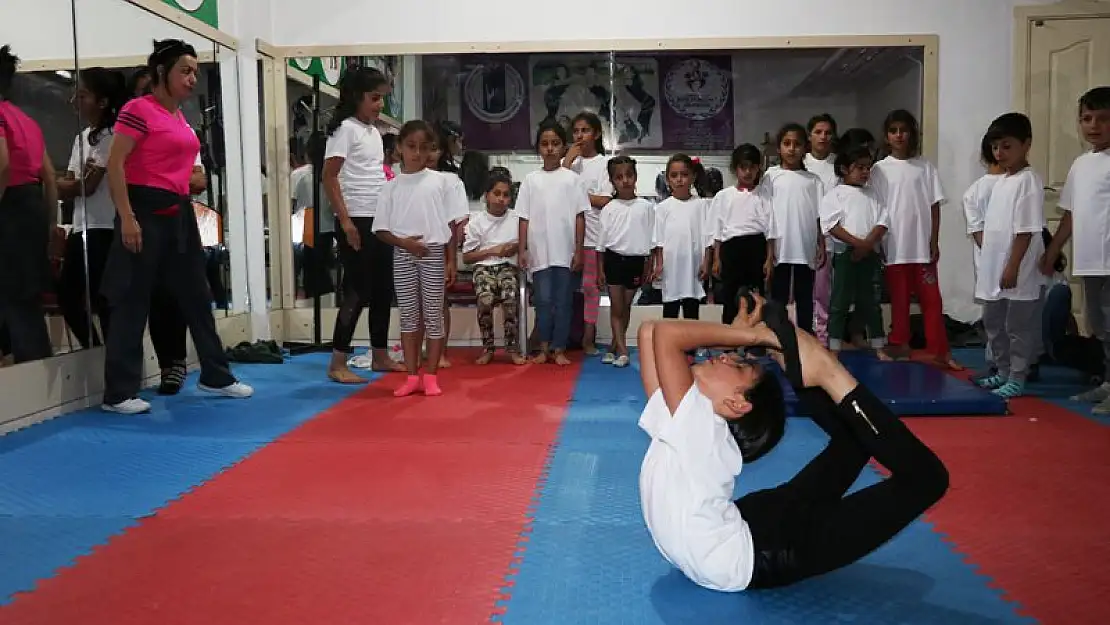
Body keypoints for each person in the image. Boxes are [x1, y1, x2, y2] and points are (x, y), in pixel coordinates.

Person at [637, 293, 949, 591]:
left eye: (739, 364)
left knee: (857, 443)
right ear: (736, 405)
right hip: (760, 552)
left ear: (737, 404)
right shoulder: (693, 423)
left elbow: (657, 332)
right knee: (928, 479)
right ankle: (824, 372)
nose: (726, 356)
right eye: (740, 362)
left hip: (746, 533)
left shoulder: (692, 423)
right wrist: (755, 337)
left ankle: (810, 367)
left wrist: (752, 336)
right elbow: (656, 332)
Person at [100, 39, 252, 414]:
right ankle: (118, 393)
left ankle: (215, 374)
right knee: (133, 302)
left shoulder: (180, 117)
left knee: (198, 297)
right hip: (144, 210)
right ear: (161, 74)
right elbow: (115, 165)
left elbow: (183, 166)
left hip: (178, 212)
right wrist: (128, 217)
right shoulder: (138, 110)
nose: (191, 77)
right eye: (185, 70)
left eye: (195, 71)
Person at [373, 120, 467, 397]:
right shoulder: (390, 186)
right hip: (403, 252)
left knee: (433, 315)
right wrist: (404, 243)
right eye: (411, 147)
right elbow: (380, 229)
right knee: (409, 317)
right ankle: (412, 375)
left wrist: (451, 260)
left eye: (423, 148)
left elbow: (451, 225)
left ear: (432, 151)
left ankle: (431, 374)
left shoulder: (442, 182)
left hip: (433, 252)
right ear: (399, 148)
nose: (417, 153)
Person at [323, 67, 404, 382]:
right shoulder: (345, 129)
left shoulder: (373, 132)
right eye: (374, 98)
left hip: (378, 218)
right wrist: (346, 222)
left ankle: (380, 355)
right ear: (357, 97)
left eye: (381, 98)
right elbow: (329, 176)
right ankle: (338, 361)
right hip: (356, 217)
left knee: (383, 288)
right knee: (357, 290)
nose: (379, 104)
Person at [869, 109, 961, 369]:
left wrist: (933, 241)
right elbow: (876, 209)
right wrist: (878, 242)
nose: (899, 135)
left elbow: (934, 206)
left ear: (912, 134)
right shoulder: (879, 170)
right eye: (893, 130)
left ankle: (940, 351)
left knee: (932, 300)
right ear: (887, 136)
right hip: (894, 247)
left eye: (904, 130)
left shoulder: (925, 167)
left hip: (921, 248)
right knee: (899, 301)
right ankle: (900, 345)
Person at [1041, 86, 1110, 413]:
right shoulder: (1082, 164)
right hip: (1091, 259)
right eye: (1087, 118)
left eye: (1104, 119)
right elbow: (1070, 213)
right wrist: (1053, 250)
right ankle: (1107, 381)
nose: (1094, 125)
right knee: (1098, 324)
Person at [56, 67, 129, 349]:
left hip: (105, 228)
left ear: (102, 102)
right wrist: (65, 183)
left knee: (105, 299)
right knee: (68, 297)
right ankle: (96, 350)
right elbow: (73, 184)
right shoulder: (81, 138)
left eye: (83, 94)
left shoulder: (113, 137)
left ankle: (115, 362)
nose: (75, 100)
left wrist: (54, 181)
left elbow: (83, 186)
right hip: (82, 227)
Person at [0, 45, 56, 363]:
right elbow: (48, 176)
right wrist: (49, 225)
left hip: (10, 207)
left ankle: (29, 365)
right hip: (33, 206)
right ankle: (32, 364)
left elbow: (3, 165)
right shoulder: (26, 120)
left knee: (14, 295)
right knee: (25, 295)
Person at [517, 120, 587, 366]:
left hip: (565, 250)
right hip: (539, 251)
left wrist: (579, 250)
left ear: (563, 147)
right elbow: (523, 218)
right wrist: (523, 248)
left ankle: (559, 348)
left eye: (555, 143)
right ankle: (543, 347)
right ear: (538, 148)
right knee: (544, 302)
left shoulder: (572, 179)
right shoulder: (530, 180)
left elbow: (580, 217)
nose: (550, 148)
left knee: (564, 301)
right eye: (545, 144)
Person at [820, 142, 890, 355]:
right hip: (845, 254)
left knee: (870, 302)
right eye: (859, 167)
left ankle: (879, 346)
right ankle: (834, 347)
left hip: (869, 254)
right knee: (840, 301)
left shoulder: (873, 195)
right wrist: (858, 244)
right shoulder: (835, 195)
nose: (865, 172)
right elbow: (832, 226)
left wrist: (868, 245)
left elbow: (883, 222)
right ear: (844, 169)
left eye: (868, 167)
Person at [761, 123, 827, 334]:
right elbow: (765, 214)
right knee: (777, 297)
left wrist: (821, 244)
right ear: (779, 148)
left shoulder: (814, 181)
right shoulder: (770, 176)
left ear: (805, 148)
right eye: (787, 143)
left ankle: (806, 337)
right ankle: (777, 337)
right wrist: (768, 251)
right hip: (780, 247)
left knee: (805, 297)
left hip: (804, 248)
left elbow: (819, 217)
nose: (792, 149)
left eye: (797, 144)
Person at [462, 170, 526, 365]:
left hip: (508, 266)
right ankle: (488, 348)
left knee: (509, 297)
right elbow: (467, 257)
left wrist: (514, 247)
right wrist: (493, 251)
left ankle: (512, 348)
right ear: (486, 195)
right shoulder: (476, 222)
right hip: (484, 267)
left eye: (506, 195)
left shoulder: (517, 219)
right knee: (485, 298)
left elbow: (527, 242)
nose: (501, 199)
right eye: (496, 193)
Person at [596, 155, 654, 367]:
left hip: (636, 262)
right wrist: (600, 271)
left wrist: (649, 265)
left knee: (626, 307)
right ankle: (622, 351)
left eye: (629, 175)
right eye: (619, 177)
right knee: (616, 308)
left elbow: (651, 239)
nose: (625, 180)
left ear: (635, 177)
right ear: (612, 181)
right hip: (613, 260)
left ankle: (613, 346)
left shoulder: (646, 207)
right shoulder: (609, 208)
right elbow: (600, 245)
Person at [564, 111, 612, 356]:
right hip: (566, 239)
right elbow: (559, 194)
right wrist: (566, 164)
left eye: (585, 130)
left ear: (597, 133)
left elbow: (605, 199)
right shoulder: (569, 164)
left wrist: (579, 198)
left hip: (593, 237)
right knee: (565, 290)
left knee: (592, 290)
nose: (580, 136)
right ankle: (561, 338)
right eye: (576, 131)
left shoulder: (604, 164)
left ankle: (588, 339)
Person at [709, 143, 774, 326]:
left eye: (752, 167)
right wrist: (716, 259)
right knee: (730, 296)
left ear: (758, 168)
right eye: (743, 167)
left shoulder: (764, 195)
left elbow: (770, 230)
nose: (747, 172)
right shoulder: (723, 196)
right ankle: (729, 343)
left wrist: (769, 259)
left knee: (755, 296)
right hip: (731, 249)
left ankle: (754, 345)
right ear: (735, 169)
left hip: (756, 247)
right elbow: (717, 231)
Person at [652, 154, 711, 322]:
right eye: (674, 175)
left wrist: (706, 262)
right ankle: (667, 346)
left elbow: (708, 238)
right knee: (670, 309)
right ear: (668, 179)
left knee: (692, 309)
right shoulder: (662, 208)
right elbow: (658, 240)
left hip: (693, 266)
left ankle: (690, 347)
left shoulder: (701, 205)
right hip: (671, 267)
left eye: (684, 175)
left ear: (692, 177)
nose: (679, 180)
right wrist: (659, 264)